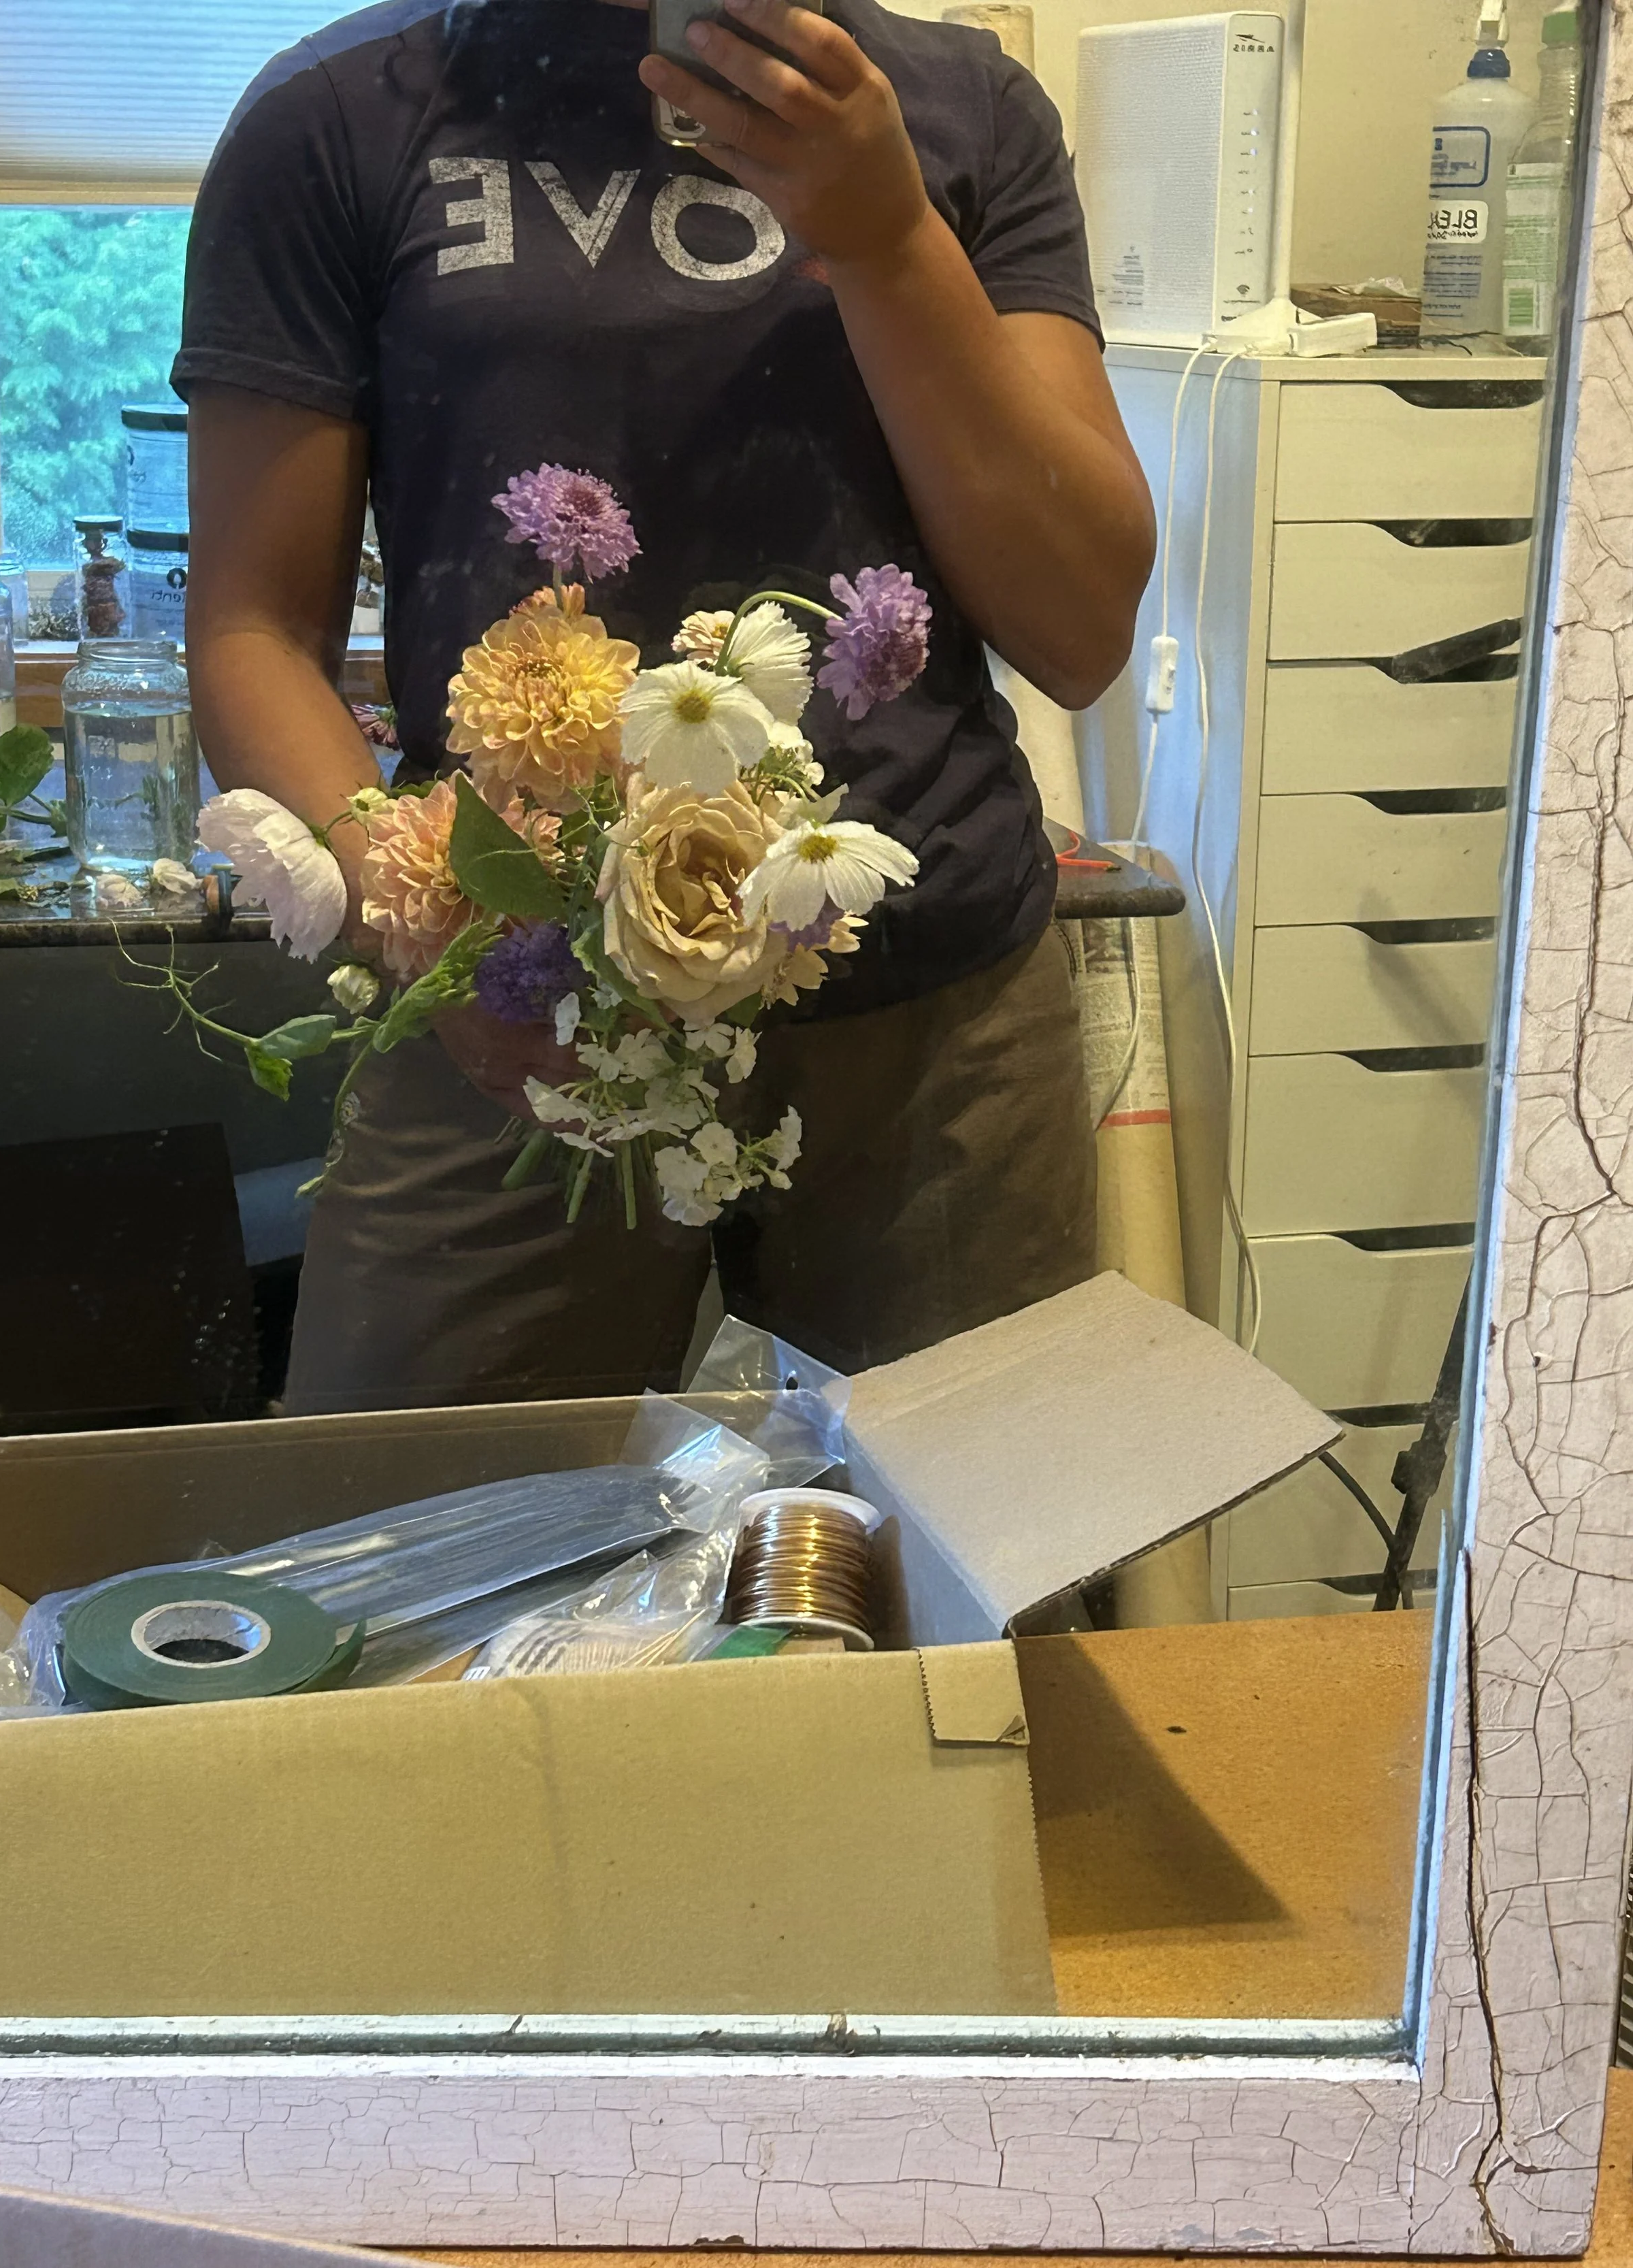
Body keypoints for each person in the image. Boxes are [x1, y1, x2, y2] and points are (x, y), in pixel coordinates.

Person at [174, 0, 1155, 1410]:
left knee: (972, 1541)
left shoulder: (964, 110)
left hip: (933, 1013)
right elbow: (253, 629)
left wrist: (888, 240)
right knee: (425, 1538)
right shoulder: (340, 115)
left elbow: (1078, 630)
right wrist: (424, 931)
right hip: (517, 996)